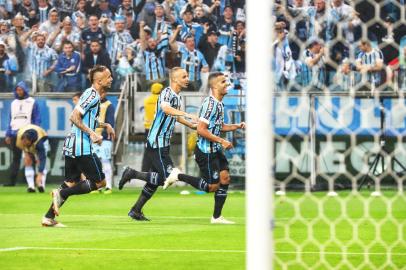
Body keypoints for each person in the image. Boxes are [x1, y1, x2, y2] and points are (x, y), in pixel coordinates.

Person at [163, 72, 246, 224]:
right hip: (206, 151)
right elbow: (201, 129)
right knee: (212, 187)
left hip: (215, 149)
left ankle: (216, 217)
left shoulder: (219, 104)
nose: (226, 84)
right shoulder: (210, 105)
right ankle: (178, 176)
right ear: (214, 86)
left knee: (225, 178)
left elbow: (218, 126)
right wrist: (222, 141)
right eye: (222, 82)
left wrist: (236, 126)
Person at [118, 67, 198, 221]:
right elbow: (166, 109)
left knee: (155, 180)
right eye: (184, 76)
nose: (187, 79)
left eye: (187, 76)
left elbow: (174, 115)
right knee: (167, 177)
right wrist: (187, 114)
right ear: (174, 79)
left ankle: (136, 210)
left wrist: (191, 125)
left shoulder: (177, 96)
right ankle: (132, 173)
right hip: (157, 141)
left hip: (163, 142)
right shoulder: (167, 93)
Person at [41, 65, 115, 227]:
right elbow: (74, 117)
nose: (111, 79)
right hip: (82, 147)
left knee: (71, 182)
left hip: (71, 145)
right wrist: (92, 133)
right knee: (100, 183)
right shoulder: (93, 96)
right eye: (108, 77)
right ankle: (61, 193)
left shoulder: (90, 94)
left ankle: (48, 217)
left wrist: (104, 125)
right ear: (99, 80)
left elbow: (85, 118)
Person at [4, 81, 41, 187]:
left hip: (27, 135)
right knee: (16, 158)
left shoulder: (32, 102)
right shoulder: (13, 103)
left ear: (25, 90)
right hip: (15, 134)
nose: (18, 91)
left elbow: (37, 119)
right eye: (17, 89)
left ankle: (32, 182)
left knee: (30, 157)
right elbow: (11, 119)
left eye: (20, 89)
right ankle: (12, 182)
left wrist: (34, 133)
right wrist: (8, 134)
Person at [92, 91, 115, 194]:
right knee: (95, 163)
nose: (100, 95)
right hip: (93, 137)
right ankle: (98, 186)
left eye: (102, 93)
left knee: (105, 161)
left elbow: (110, 123)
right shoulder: (93, 105)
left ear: (105, 93)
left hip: (105, 138)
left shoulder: (109, 105)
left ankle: (109, 186)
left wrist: (103, 136)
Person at [16, 124, 49, 193]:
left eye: (26, 142)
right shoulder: (19, 138)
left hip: (42, 139)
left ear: (31, 141)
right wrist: (26, 153)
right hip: (28, 137)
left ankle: (41, 185)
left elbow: (43, 159)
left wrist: (39, 174)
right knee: (27, 161)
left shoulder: (40, 143)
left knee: (39, 161)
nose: (24, 143)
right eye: (23, 141)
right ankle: (31, 186)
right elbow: (23, 146)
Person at [141, 82, 163, 171]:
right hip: (158, 128)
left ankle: (145, 169)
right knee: (159, 150)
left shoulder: (146, 100)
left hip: (148, 128)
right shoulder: (161, 101)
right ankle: (158, 169)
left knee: (148, 150)